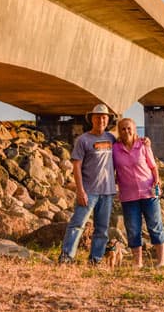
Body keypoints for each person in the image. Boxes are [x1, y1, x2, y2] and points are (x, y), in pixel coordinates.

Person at [59, 104, 118, 264]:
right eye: (98, 117)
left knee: (102, 229)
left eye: (104, 117)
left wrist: (145, 142)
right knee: (77, 224)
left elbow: (129, 144)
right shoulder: (83, 140)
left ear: (108, 120)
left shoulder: (112, 138)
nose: (101, 120)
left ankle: (95, 260)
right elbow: (76, 166)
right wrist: (80, 191)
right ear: (92, 119)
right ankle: (66, 257)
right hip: (89, 191)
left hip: (107, 192)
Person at [113, 117, 164, 268]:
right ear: (119, 131)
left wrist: (157, 180)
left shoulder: (143, 145)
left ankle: (161, 260)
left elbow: (153, 166)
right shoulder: (115, 149)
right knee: (133, 228)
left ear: (135, 129)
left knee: (155, 225)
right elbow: (111, 169)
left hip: (149, 192)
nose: (126, 131)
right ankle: (138, 262)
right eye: (123, 128)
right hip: (128, 195)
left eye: (129, 128)